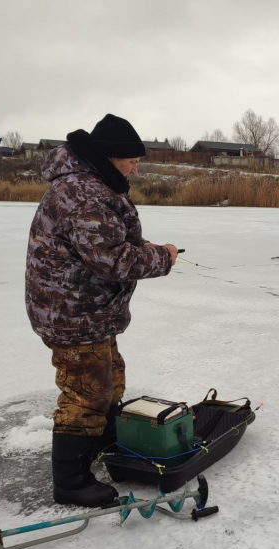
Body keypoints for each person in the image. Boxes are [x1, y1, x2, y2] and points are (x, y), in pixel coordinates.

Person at [25, 114, 178, 507]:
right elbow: (110, 260)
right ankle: (71, 481)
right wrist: (162, 258)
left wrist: (146, 252)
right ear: (112, 156)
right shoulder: (85, 193)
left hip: (87, 310)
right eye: (132, 159)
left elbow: (105, 245)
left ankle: (106, 444)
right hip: (73, 314)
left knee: (109, 376)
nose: (135, 167)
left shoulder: (89, 185)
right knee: (86, 393)